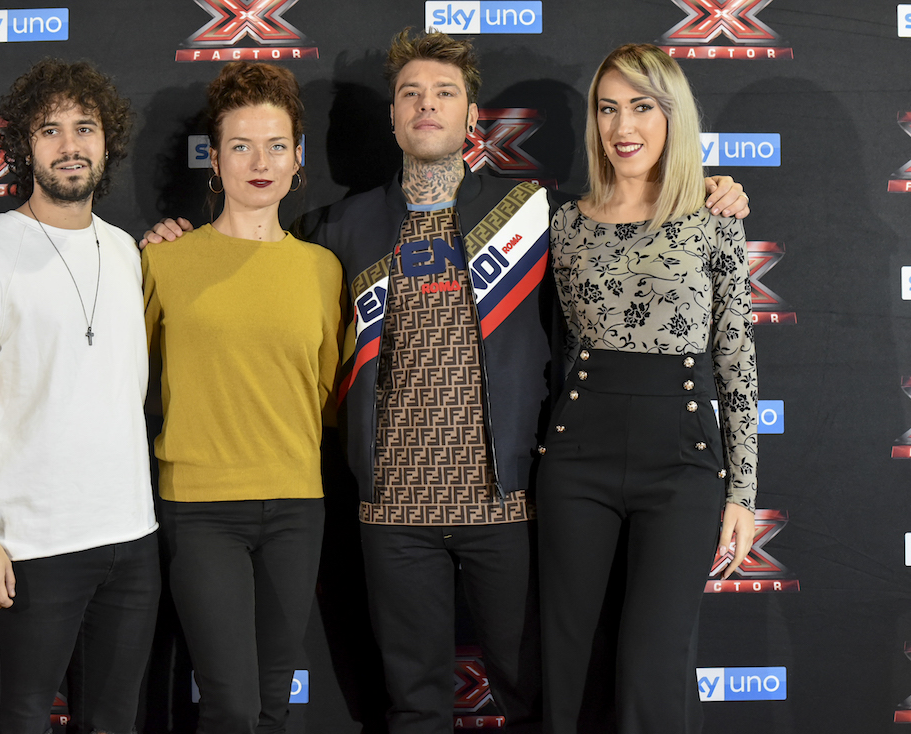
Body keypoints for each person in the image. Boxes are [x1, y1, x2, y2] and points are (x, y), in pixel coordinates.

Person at [142, 29, 750, 734]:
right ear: (393, 116)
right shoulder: (338, 227)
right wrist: (172, 242)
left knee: (541, 696)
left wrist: (714, 189)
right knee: (412, 707)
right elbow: (252, 252)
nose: (426, 105)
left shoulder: (535, 213)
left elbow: (631, 218)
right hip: (392, 514)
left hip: (509, 506)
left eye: (444, 93)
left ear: (471, 117)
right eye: (411, 94)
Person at [0, 59, 160, 734]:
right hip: (30, 546)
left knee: (114, 721)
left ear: (107, 142)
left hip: (132, 539)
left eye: (85, 127)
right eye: (50, 130)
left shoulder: (127, 252)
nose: (70, 145)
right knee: (21, 719)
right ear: (25, 147)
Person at [538, 43, 758, 734]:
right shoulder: (565, 223)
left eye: (641, 106)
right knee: (571, 665)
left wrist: (743, 491)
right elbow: (559, 348)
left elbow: (736, 358)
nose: (622, 126)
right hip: (578, 458)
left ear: (672, 115)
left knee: (651, 667)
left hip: (682, 463)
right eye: (608, 109)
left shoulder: (715, 216)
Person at [141, 61, 343, 734]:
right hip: (201, 509)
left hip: (296, 506)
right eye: (242, 146)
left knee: (273, 703)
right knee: (230, 707)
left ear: (297, 159)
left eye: (277, 146)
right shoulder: (165, 260)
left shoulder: (322, 269)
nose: (261, 163)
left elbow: (326, 392)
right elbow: (125, 380)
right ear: (215, 158)